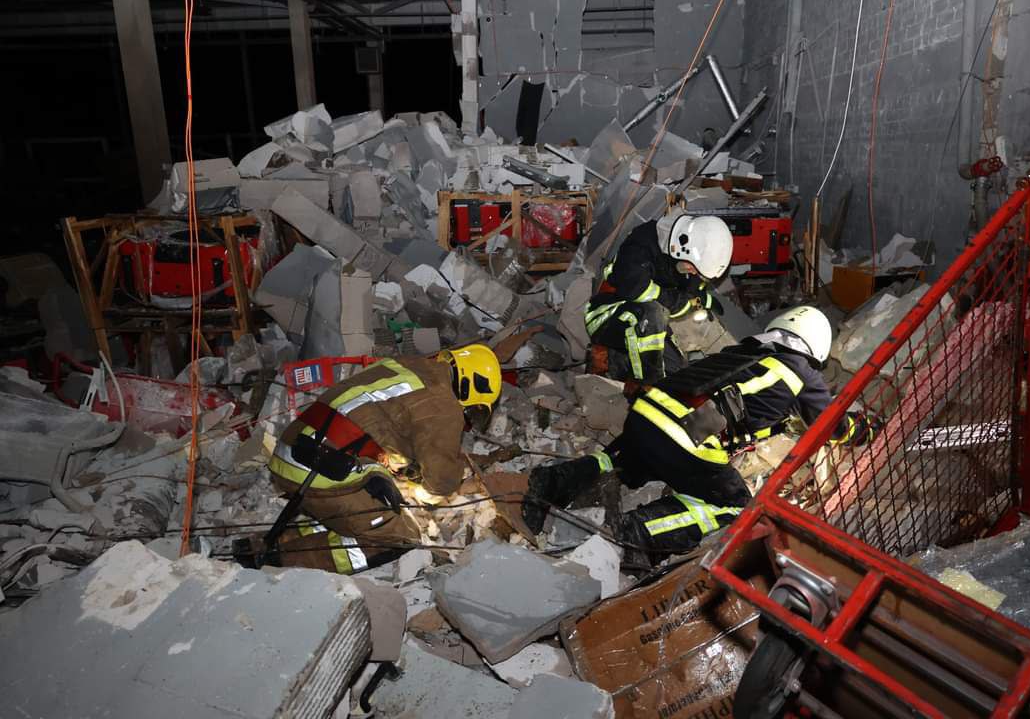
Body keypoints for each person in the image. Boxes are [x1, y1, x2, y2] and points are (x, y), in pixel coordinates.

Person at [526, 306, 877, 563]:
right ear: (815, 349)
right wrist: (860, 428)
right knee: (732, 506)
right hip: (684, 435)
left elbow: (739, 400)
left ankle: (551, 481)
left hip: (646, 414)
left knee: (619, 460)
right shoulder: (801, 371)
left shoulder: (744, 351)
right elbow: (831, 426)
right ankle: (638, 533)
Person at [264, 345, 502, 572]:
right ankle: (276, 562)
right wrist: (427, 492)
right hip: (317, 468)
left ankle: (267, 544)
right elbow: (441, 481)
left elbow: (379, 419)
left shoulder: (408, 364)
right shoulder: (444, 405)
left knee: (368, 506)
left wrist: (404, 466)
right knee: (399, 536)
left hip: (293, 447)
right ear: (472, 387)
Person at [583, 209, 734, 384]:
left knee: (675, 367)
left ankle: (731, 374)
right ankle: (647, 386)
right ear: (681, 247)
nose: (693, 273)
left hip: (648, 321)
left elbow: (687, 294)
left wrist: (700, 300)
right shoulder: (642, 245)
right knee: (652, 312)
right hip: (605, 314)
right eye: (693, 268)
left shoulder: (684, 257)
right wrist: (681, 301)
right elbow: (638, 292)